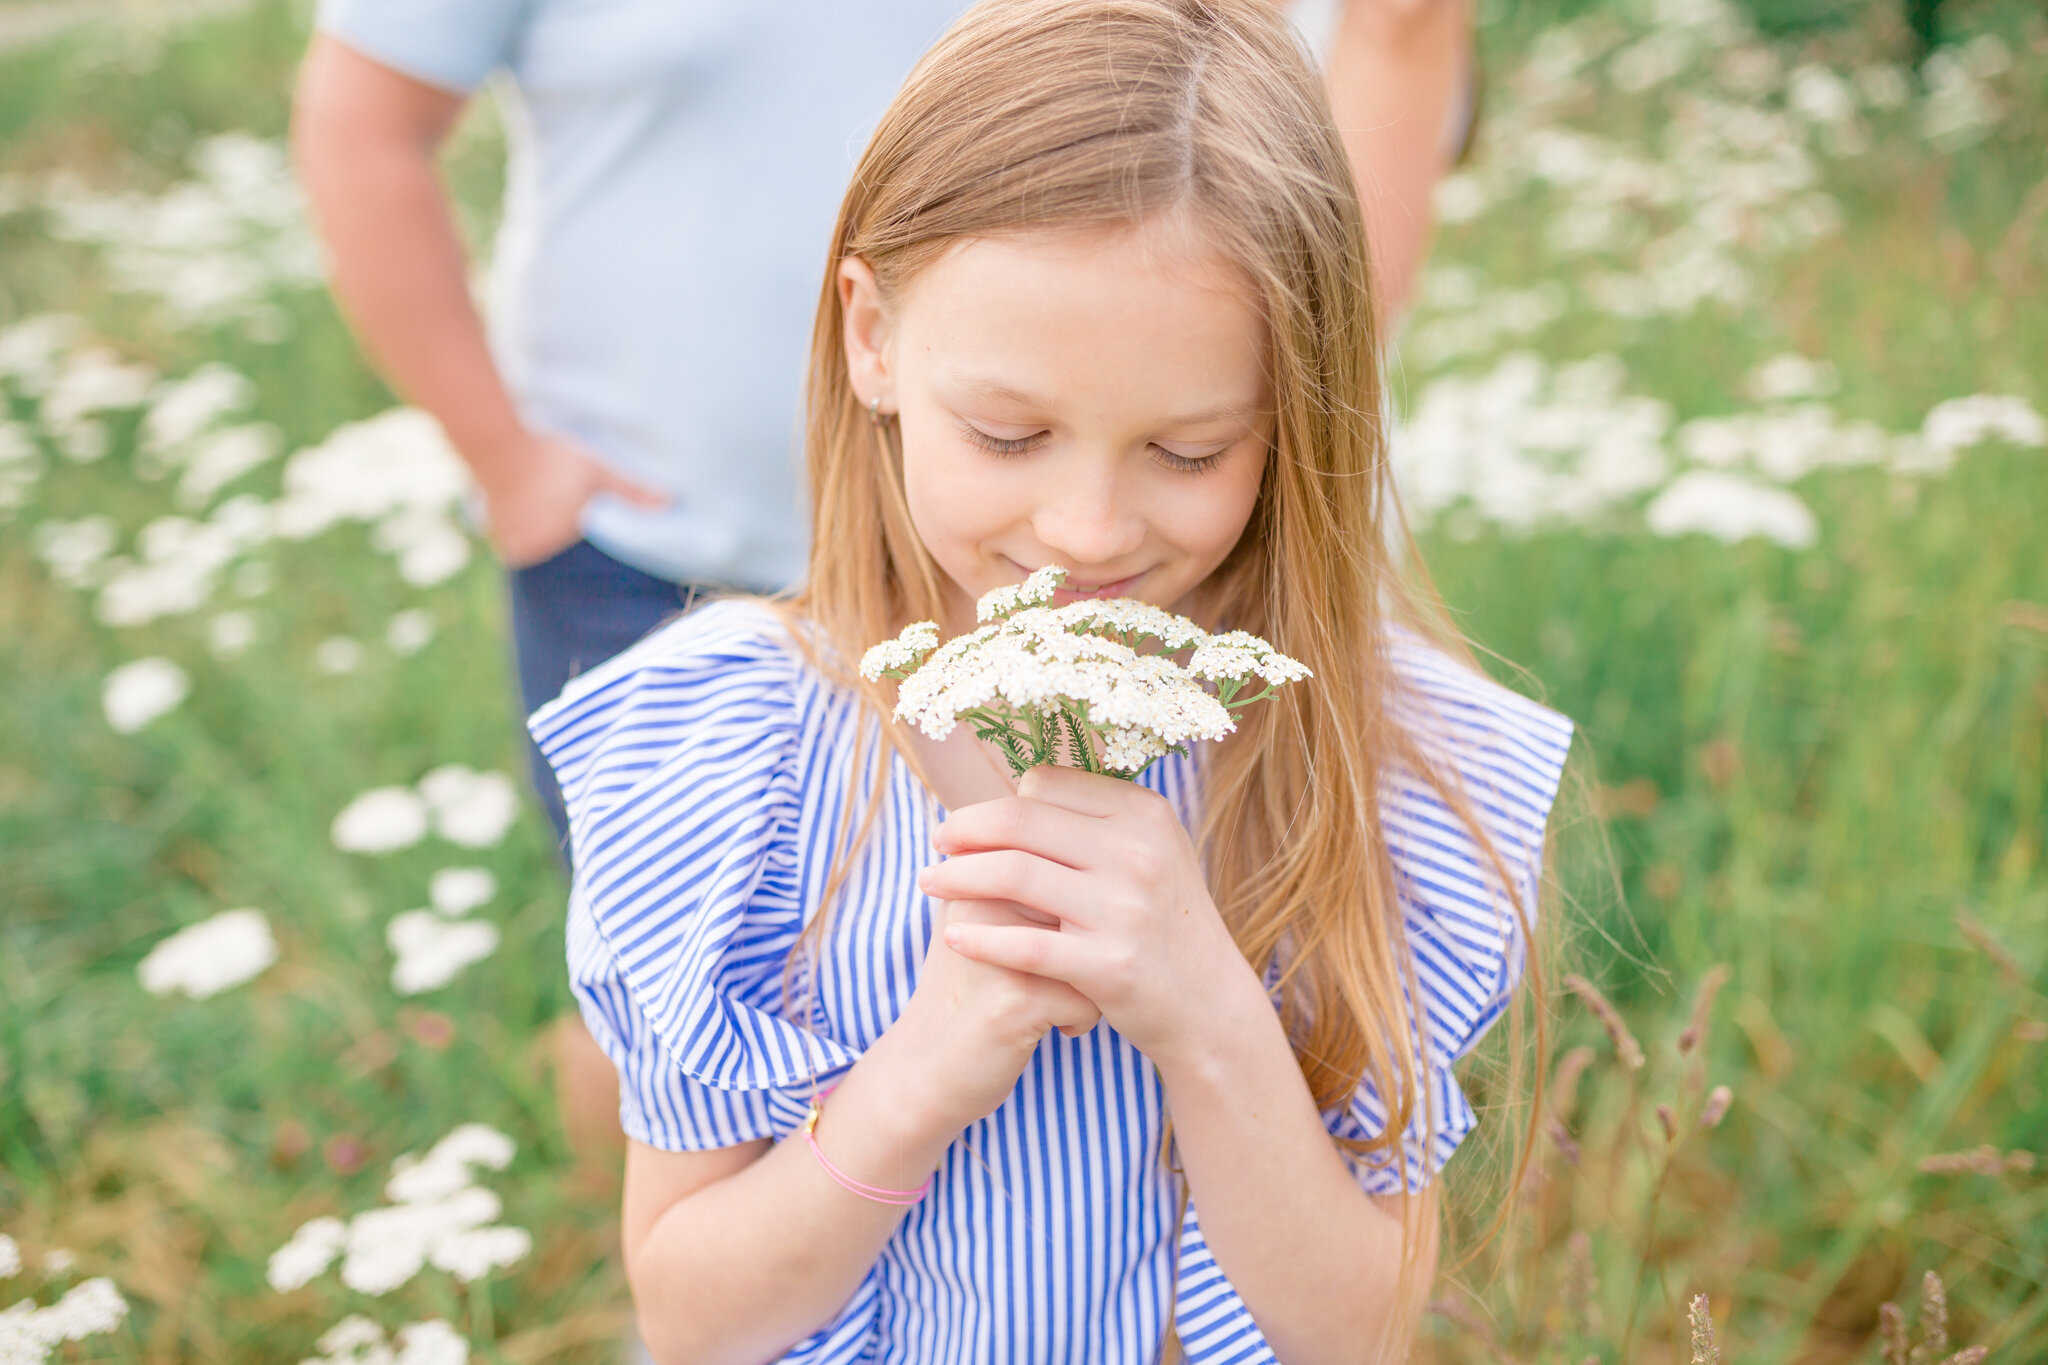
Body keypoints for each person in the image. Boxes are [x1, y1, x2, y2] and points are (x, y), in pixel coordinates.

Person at [527, 2, 1573, 1361]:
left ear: (1297, 405)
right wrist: (919, 1079)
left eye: (1189, 451)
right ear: (872, 335)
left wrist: (1207, 1012)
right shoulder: (735, 748)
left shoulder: (1370, 759)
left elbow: (1362, 1334)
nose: (1086, 529)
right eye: (1009, 434)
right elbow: (694, 1320)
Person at [291, 0, 1481, 1168]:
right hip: (648, 558)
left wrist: (1273, 406)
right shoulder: (693, 705)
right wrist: (509, 466)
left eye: (1191, 447)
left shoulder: (1119, 541)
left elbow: (1349, 51)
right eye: (1007, 433)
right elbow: (363, 118)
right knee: (675, 1026)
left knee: (1068, 1037)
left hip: (1059, 607)